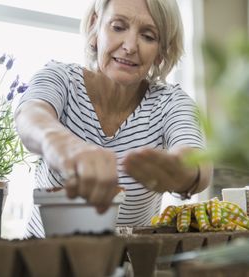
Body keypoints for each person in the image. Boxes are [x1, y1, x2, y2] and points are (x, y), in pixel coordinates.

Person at [15, 0, 213, 238]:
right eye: (118, 27)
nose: (129, 46)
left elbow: (197, 160)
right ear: (95, 26)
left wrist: (180, 172)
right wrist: (62, 144)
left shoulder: (170, 103)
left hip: (126, 266)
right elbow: (31, 116)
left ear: (162, 51)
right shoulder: (61, 79)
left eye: (148, 36)